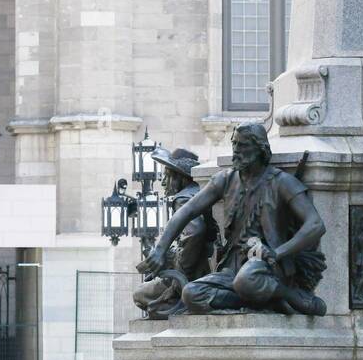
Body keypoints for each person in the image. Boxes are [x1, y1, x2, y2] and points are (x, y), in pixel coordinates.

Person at [137, 123, 328, 316]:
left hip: (267, 266)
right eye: (234, 144)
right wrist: (160, 249)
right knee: (191, 293)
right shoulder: (225, 179)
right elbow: (188, 210)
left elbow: (315, 225)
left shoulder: (281, 182)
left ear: (261, 148)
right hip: (231, 268)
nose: (236, 151)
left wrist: (276, 253)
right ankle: (267, 299)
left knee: (247, 280)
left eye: (243, 145)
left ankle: (289, 294)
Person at [133, 147, 216, 319]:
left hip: (195, 277)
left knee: (140, 294)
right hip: (204, 272)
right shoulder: (199, 192)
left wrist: (178, 277)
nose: (163, 182)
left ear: (180, 178)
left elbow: (194, 233)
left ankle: (178, 302)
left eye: (167, 176)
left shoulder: (184, 198)